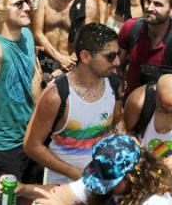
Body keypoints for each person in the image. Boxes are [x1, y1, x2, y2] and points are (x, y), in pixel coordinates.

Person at [23, 23, 124, 184]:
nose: (118, 62)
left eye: (118, 54)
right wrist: (74, 172)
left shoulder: (113, 83)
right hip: (65, 189)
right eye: (110, 56)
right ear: (85, 56)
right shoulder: (56, 95)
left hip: (104, 186)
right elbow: (31, 145)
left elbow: (117, 120)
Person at [0, 0, 44, 193]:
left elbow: (34, 78)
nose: (27, 6)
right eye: (19, 4)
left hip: (32, 138)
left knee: (32, 193)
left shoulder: (26, 34)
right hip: (5, 146)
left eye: (26, 1)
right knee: (9, 199)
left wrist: (41, 121)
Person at [9, 134, 172, 204]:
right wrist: (22, 189)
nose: (102, 188)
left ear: (133, 175)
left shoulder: (156, 201)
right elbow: (61, 193)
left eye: (109, 182)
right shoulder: (106, 180)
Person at [33, 0, 98, 78]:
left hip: (72, 62)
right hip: (46, 58)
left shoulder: (87, 5)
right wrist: (58, 57)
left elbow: (87, 40)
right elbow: (37, 32)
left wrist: (68, 64)